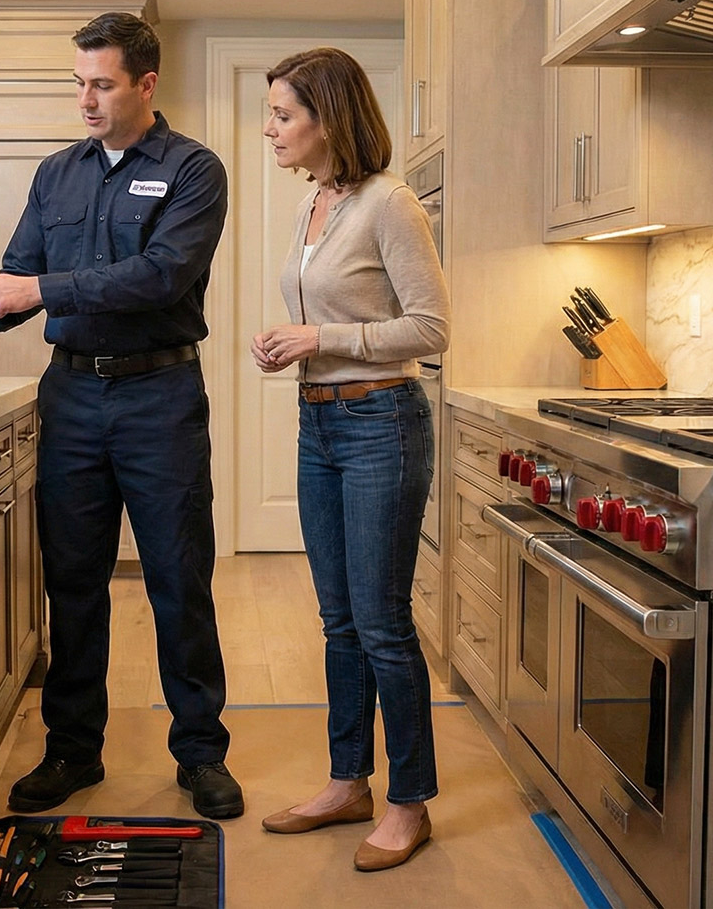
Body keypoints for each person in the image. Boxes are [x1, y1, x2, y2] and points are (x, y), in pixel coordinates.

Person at [0, 11, 242, 820]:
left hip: (159, 398)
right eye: (78, 83)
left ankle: (201, 753)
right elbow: (23, 272)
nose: (86, 100)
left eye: (101, 84)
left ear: (146, 83)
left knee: (179, 579)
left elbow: (162, 276)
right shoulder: (55, 174)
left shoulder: (193, 171)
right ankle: (72, 749)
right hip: (68, 398)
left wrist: (37, 291)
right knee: (71, 583)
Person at [249, 47, 449, 871]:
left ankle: (409, 801)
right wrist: (288, 345)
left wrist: (320, 337)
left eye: (284, 115)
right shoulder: (316, 205)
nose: (270, 129)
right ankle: (347, 780)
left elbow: (431, 330)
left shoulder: (389, 203)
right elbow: (330, 315)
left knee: (381, 623)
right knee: (337, 621)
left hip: (382, 425)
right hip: (319, 425)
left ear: (330, 118)